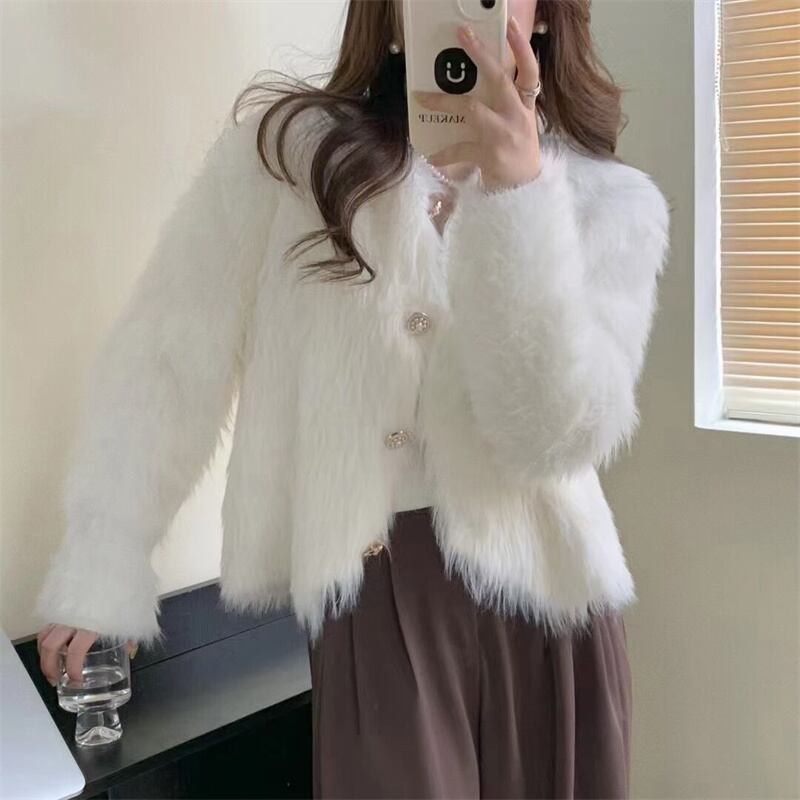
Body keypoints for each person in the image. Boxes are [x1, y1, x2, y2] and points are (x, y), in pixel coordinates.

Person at [36, 0, 671, 797]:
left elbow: (556, 435)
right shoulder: (284, 160)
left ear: (541, 17)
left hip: (554, 601)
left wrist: (519, 196)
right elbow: (164, 361)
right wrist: (104, 557)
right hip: (371, 591)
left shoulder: (612, 201)